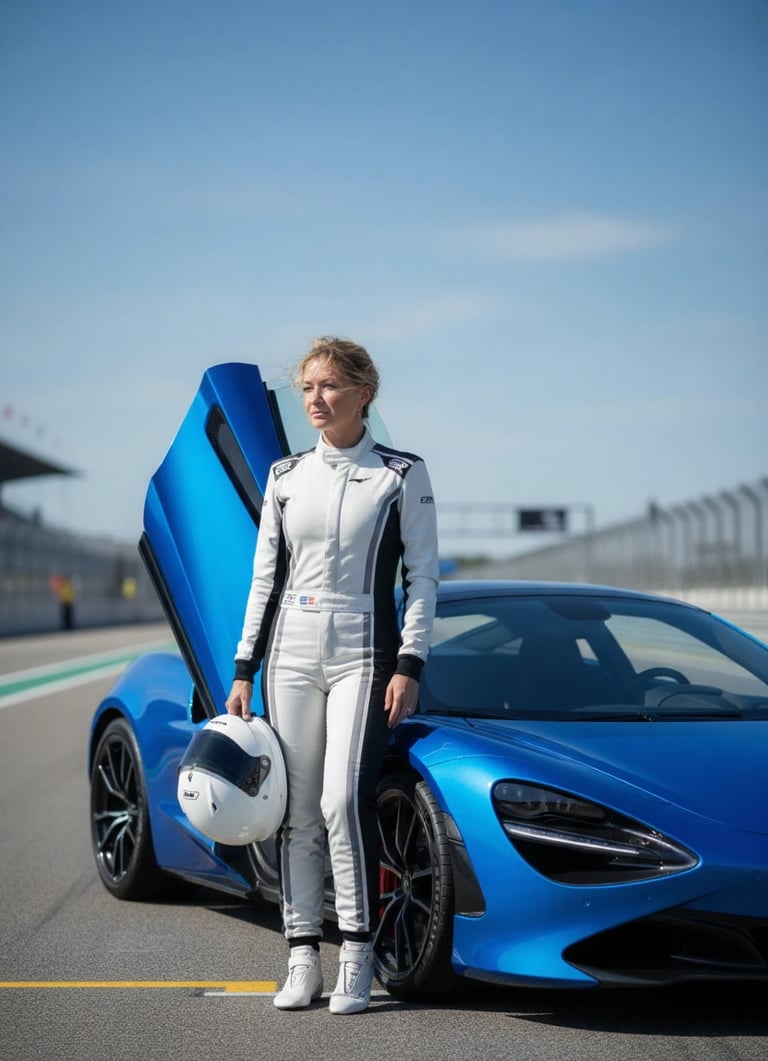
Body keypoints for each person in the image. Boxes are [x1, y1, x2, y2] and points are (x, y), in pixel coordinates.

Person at [226, 336, 439, 1015]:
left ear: (363, 393)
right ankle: (300, 959)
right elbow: (265, 579)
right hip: (288, 649)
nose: (315, 399)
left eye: (329, 387)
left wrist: (411, 663)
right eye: (307, 388)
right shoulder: (285, 476)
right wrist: (242, 667)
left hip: (363, 651)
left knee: (342, 803)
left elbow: (423, 580)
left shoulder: (401, 474)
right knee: (295, 811)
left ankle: (357, 955)